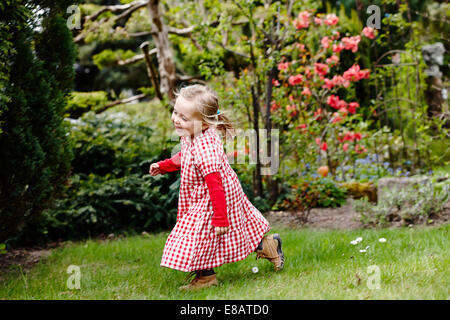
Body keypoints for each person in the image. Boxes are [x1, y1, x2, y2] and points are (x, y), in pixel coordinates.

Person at [149, 84, 284, 291]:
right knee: (221, 236)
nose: (176, 119)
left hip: (214, 197)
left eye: (184, 117)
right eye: (176, 112)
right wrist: (164, 166)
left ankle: (206, 278)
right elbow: (185, 157)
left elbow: (215, 183)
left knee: (197, 236)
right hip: (208, 195)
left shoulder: (205, 147)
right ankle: (268, 245)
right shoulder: (193, 134)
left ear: (203, 123)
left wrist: (221, 217)